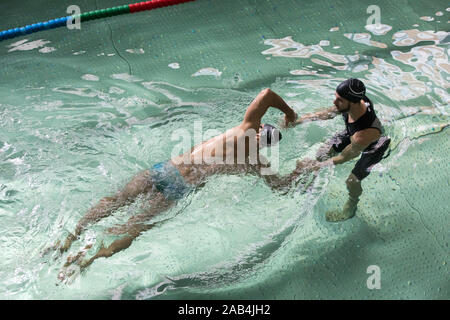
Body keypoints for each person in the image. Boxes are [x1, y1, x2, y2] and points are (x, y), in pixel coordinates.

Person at [57, 88, 310, 276]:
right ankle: (89, 258)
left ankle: (73, 236)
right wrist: (304, 170)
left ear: (259, 130)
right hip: (180, 187)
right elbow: (281, 187)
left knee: (116, 201)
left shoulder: (245, 128)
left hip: (167, 168)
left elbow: (266, 94)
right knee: (135, 226)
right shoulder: (257, 162)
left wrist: (289, 113)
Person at [294, 78, 391, 222]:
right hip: (353, 133)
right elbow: (328, 113)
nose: (334, 102)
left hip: (374, 146)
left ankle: (351, 205)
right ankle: (312, 177)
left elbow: (344, 158)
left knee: (352, 181)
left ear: (351, 102)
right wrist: (298, 121)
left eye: (339, 100)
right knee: (322, 153)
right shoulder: (355, 101)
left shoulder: (362, 136)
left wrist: (317, 165)